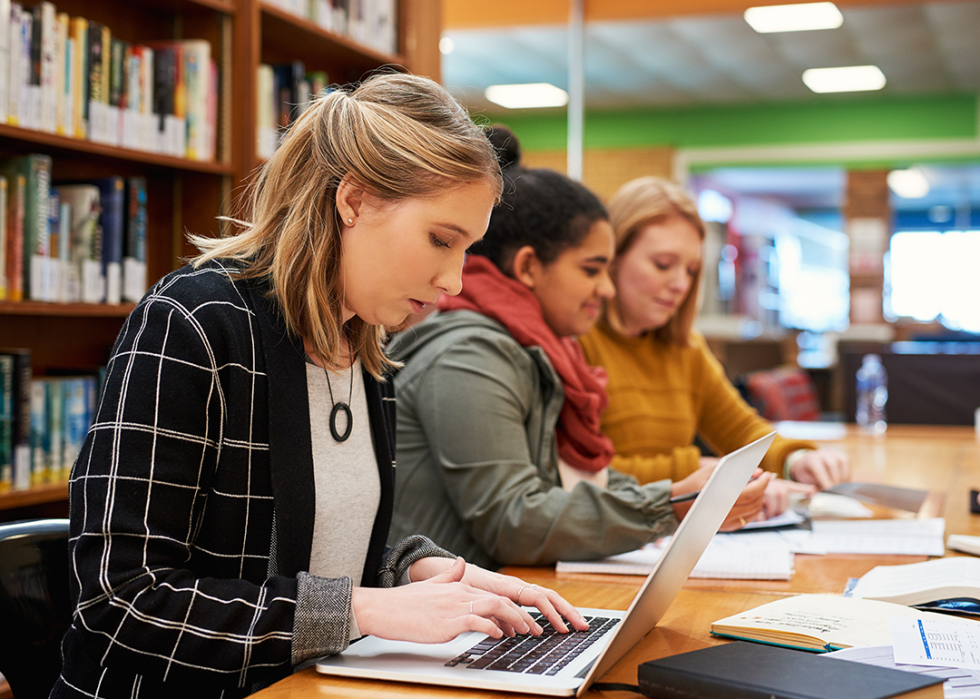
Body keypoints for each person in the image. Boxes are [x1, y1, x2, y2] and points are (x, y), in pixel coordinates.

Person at [51, 75, 588, 699]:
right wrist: (364, 611)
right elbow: (121, 601)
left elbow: (308, 552)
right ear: (353, 200)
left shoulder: (365, 347)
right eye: (441, 240)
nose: (456, 280)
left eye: (466, 249)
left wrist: (419, 570)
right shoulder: (194, 322)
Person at [386, 128, 769, 572]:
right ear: (528, 267)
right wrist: (673, 502)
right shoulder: (472, 354)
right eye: (592, 270)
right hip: (446, 623)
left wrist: (678, 495)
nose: (605, 289)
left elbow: (570, 483)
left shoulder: (532, 349)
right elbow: (515, 522)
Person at [578, 175, 850, 518]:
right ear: (612, 257)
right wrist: (707, 471)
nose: (680, 284)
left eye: (691, 270)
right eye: (663, 264)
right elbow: (584, 472)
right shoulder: (578, 340)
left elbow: (741, 429)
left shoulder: (685, 346)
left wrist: (797, 460)